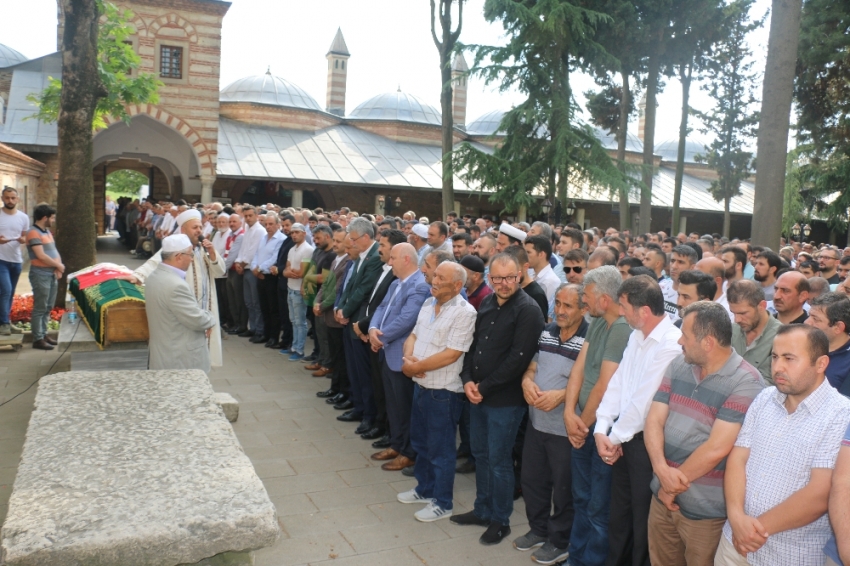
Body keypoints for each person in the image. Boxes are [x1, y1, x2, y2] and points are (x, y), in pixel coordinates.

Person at [716, 325, 850, 566]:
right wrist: (735, 517)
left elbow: (821, 492)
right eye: (775, 357)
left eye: (789, 359)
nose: (778, 367)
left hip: (789, 555)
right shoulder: (765, 398)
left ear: (821, 364)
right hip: (733, 544)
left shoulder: (841, 415)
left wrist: (753, 532)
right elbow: (738, 459)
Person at [644, 301, 764, 566]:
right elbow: (653, 419)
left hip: (706, 512)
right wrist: (661, 472)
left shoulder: (747, 382)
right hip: (661, 496)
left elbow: (717, 448)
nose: (679, 341)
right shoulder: (679, 364)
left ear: (708, 342)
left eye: (685, 335)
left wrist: (670, 485)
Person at [453, 252, 546, 546]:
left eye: (509, 277)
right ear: (488, 278)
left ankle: (500, 520)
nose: (503, 283)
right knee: (480, 455)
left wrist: (484, 387)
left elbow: (518, 360)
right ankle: (482, 509)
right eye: (497, 278)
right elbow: (473, 345)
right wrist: (467, 379)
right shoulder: (488, 302)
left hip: (505, 400)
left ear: (519, 275)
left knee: (499, 460)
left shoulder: (528, 310)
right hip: (478, 393)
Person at [594, 275, 682, 566]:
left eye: (624, 306)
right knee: (619, 515)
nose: (620, 312)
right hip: (623, 437)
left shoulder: (671, 344)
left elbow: (645, 400)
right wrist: (601, 427)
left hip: (646, 445)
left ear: (643, 311)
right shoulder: (636, 335)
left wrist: (613, 437)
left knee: (643, 521)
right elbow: (619, 382)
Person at [396, 261, 477, 522]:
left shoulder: (465, 313)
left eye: (440, 277)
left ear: (456, 285)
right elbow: (413, 336)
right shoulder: (429, 304)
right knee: (420, 441)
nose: (433, 279)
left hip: (442, 392)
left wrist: (416, 366)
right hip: (420, 385)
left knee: (441, 450)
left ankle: (443, 503)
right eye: (434, 274)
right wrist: (409, 362)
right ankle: (424, 489)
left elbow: (452, 354)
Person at [513, 284, 588, 565]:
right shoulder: (548, 330)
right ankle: (538, 530)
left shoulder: (590, 337)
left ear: (585, 308)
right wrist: (526, 380)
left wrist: (563, 395)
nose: (560, 310)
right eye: (558, 303)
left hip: (565, 430)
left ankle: (560, 542)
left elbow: (592, 382)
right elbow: (534, 362)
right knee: (533, 481)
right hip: (537, 423)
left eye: (568, 306)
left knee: (564, 489)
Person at [561, 265, 631, 566]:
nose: (582, 301)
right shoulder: (598, 323)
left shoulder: (623, 328)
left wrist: (582, 425)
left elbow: (605, 385)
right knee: (581, 499)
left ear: (604, 298)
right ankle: (575, 558)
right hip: (582, 423)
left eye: (586, 296)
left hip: (602, 430)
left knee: (598, 509)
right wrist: (568, 411)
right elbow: (579, 367)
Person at [131, 209, 226, 367]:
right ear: (183, 230)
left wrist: (212, 253)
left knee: (204, 352)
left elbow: (220, 272)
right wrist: (137, 275)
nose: (199, 231)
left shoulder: (204, 248)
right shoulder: (175, 247)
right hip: (184, 306)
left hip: (206, 304)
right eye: (195, 228)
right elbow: (153, 263)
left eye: (201, 227)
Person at [369, 243, 431, 470]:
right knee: (393, 405)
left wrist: (380, 337)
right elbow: (379, 308)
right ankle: (396, 444)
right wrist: (372, 330)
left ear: (406, 259)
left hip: (400, 355)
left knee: (404, 407)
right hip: (387, 351)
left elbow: (407, 319)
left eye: (393, 258)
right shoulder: (396, 282)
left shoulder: (419, 285)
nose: (388, 262)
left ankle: (409, 451)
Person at [335, 218, 384, 429]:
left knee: (363, 372)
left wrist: (345, 310)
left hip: (360, 321)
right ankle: (358, 406)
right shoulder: (360, 257)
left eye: (354, 239)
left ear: (366, 237)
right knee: (353, 368)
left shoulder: (374, 258)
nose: (351, 244)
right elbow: (350, 286)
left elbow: (363, 289)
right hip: (350, 318)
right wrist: (341, 308)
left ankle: (367, 413)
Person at [144, 234, 217, 373]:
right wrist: (210, 318)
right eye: (190, 254)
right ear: (178, 256)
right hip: (180, 360)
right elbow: (197, 320)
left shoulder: (154, 277)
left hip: (164, 355)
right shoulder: (176, 285)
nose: (191, 259)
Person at [728, 280, 782, 385]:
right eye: (733, 313)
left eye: (743, 313)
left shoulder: (781, 336)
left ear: (762, 306)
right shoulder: (730, 330)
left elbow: (770, 382)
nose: (737, 319)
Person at [26, 204, 62, 351]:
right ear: (45, 218)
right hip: (40, 274)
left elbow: (52, 251)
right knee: (40, 307)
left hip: (51, 273)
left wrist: (58, 267)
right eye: (52, 218)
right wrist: (59, 266)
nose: (53, 220)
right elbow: (41, 255)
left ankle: (44, 333)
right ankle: (38, 339)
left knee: (48, 307)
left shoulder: (46, 231)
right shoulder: (33, 233)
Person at [805, 292, 850, 393]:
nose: (807, 322)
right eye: (809, 316)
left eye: (815, 319)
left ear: (838, 328)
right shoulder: (802, 345)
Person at [282, 223, 314, 361]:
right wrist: (289, 272)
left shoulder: (307, 250)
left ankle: (299, 350)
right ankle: (294, 346)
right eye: (292, 233)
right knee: (293, 320)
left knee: (300, 321)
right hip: (291, 287)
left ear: (304, 233)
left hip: (299, 290)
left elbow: (301, 272)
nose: (294, 235)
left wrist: (289, 271)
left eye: (297, 232)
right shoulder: (292, 249)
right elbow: (286, 269)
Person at [234, 205, 267, 340]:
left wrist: (241, 263)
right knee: (248, 302)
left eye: (250, 216)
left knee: (255, 302)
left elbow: (253, 251)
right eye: (245, 216)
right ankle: (252, 328)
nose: (247, 218)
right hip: (245, 268)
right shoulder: (247, 229)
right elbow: (243, 249)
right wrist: (238, 262)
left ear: (256, 216)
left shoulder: (259, 230)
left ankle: (259, 330)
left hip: (254, 269)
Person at [0, 188, 29, 336]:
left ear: (17, 199)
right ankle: (4, 323)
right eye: (7, 198)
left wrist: (23, 239)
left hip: (16, 260)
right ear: (2, 198)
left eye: (12, 198)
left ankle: (6, 321)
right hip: (1, 260)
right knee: (5, 290)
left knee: (10, 292)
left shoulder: (23, 217)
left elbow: (25, 236)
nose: (10, 201)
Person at [224, 213, 247, 335]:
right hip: (230, 270)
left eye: (234, 222)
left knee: (239, 300)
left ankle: (241, 325)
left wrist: (222, 268)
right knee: (231, 299)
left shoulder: (241, 236)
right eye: (230, 222)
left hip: (236, 271)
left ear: (240, 223)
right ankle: (235, 323)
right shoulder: (230, 236)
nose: (232, 224)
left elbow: (233, 255)